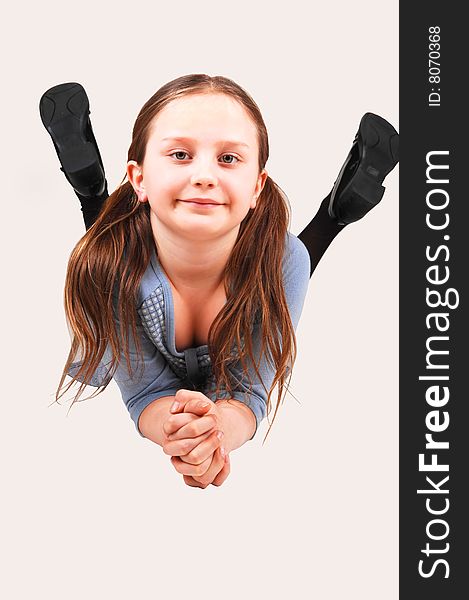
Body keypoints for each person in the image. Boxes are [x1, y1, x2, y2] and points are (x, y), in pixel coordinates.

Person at [41, 75, 399, 489]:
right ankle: (92, 191)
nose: (205, 176)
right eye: (180, 154)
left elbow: (249, 391)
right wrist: (182, 437)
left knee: (284, 264)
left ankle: (337, 210)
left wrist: (214, 435)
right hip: (122, 264)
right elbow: (145, 391)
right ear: (138, 178)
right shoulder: (105, 271)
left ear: (257, 188)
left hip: (266, 263)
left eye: (228, 159)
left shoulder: (285, 260)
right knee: (110, 254)